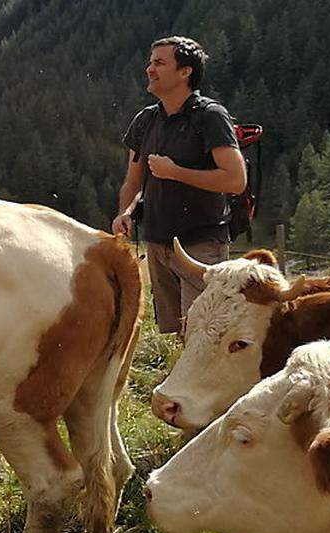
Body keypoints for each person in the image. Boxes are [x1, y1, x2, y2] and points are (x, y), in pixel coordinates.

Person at [112, 36, 247, 334]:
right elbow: (133, 181)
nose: (149, 69)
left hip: (200, 243)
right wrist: (125, 212)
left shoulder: (210, 117)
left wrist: (175, 172)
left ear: (185, 72)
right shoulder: (145, 121)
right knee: (177, 332)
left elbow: (236, 180)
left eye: (159, 63)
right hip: (157, 242)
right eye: (150, 62)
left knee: (202, 333)